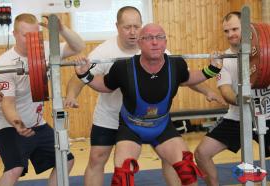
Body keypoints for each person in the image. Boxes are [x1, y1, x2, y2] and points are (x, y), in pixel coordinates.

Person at [65, 6, 225, 186]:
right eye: (127, 27)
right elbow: (86, 78)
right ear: (117, 26)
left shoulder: (164, 55)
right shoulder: (103, 53)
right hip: (111, 117)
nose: (133, 32)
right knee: (100, 161)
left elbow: (184, 77)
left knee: (182, 167)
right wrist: (72, 93)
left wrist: (208, 88)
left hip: (156, 120)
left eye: (136, 26)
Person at [0, 13, 85, 186]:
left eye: (35, 35)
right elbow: (7, 103)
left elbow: (78, 47)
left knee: (66, 160)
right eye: (26, 35)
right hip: (8, 124)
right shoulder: (4, 64)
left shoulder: (46, 49)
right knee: (14, 169)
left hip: (36, 122)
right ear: (14, 34)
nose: (31, 40)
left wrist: (61, 29)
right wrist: (18, 125)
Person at [194, 11, 270, 185]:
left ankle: (253, 177)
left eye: (235, 29)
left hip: (267, 115)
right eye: (226, 31)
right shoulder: (225, 60)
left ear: (246, 27)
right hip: (237, 117)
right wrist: (243, 102)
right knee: (201, 153)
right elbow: (226, 92)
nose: (230, 35)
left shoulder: (266, 53)